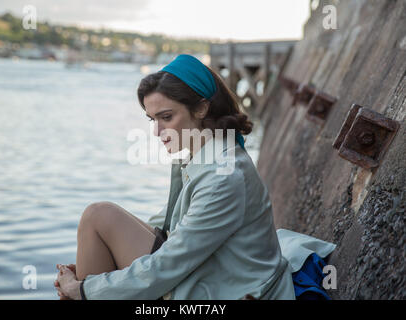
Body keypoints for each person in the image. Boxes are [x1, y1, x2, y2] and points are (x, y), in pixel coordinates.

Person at [54, 54, 336, 300]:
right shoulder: (201, 154)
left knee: (97, 216)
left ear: (201, 108)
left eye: (166, 116)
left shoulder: (223, 177)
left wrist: (86, 289)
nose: (157, 131)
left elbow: (168, 265)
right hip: (210, 271)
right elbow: (168, 226)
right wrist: (99, 270)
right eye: (153, 119)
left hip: (228, 291)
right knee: (99, 220)